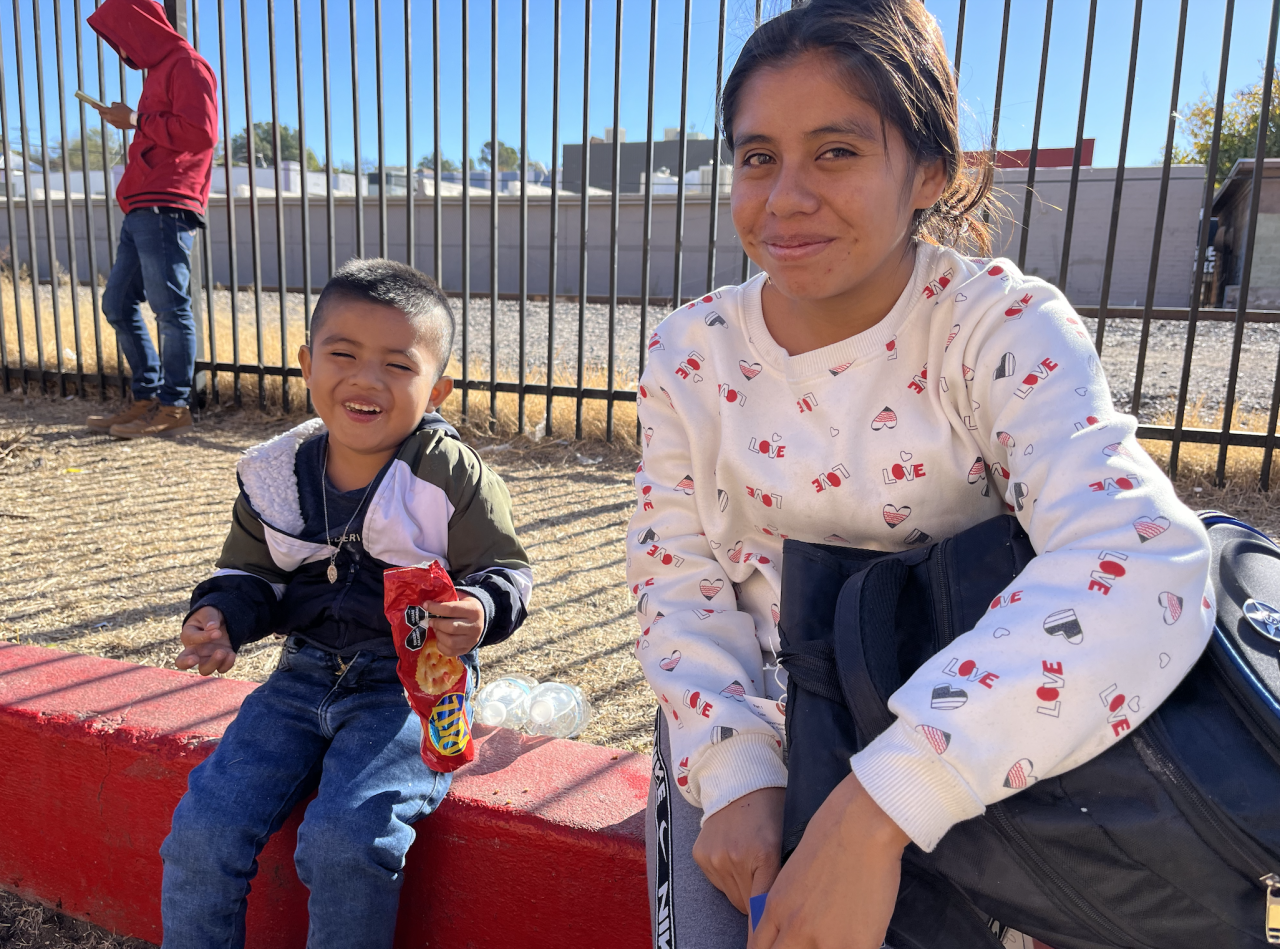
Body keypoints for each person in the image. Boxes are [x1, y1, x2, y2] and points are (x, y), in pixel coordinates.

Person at [627, 2, 1215, 948]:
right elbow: (676, 568)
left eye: (837, 152)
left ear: (929, 172)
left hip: (976, 727)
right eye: (757, 156)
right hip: (753, 720)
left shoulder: (993, 327)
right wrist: (736, 769)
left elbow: (1139, 556)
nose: (784, 197)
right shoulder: (690, 348)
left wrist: (885, 803)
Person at [160, 258, 533, 949]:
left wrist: (481, 606)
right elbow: (250, 575)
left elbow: (505, 569)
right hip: (301, 676)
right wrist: (220, 618)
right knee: (204, 825)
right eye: (343, 354)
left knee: (346, 837)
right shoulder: (278, 475)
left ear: (438, 387)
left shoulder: (447, 473)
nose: (366, 380)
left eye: (398, 364)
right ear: (306, 362)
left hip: (410, 686)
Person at [83, 0, 218, 440]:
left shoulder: (188, 65)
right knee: (117, 303)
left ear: (141, 28)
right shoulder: (161, 71)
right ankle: (147, 397)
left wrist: (137, 119)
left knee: (169, 309)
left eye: (123, 36)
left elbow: (201, 133)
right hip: (143, 203)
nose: (122, 48)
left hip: (166, 202)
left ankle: (175, 405)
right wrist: (134, 122)